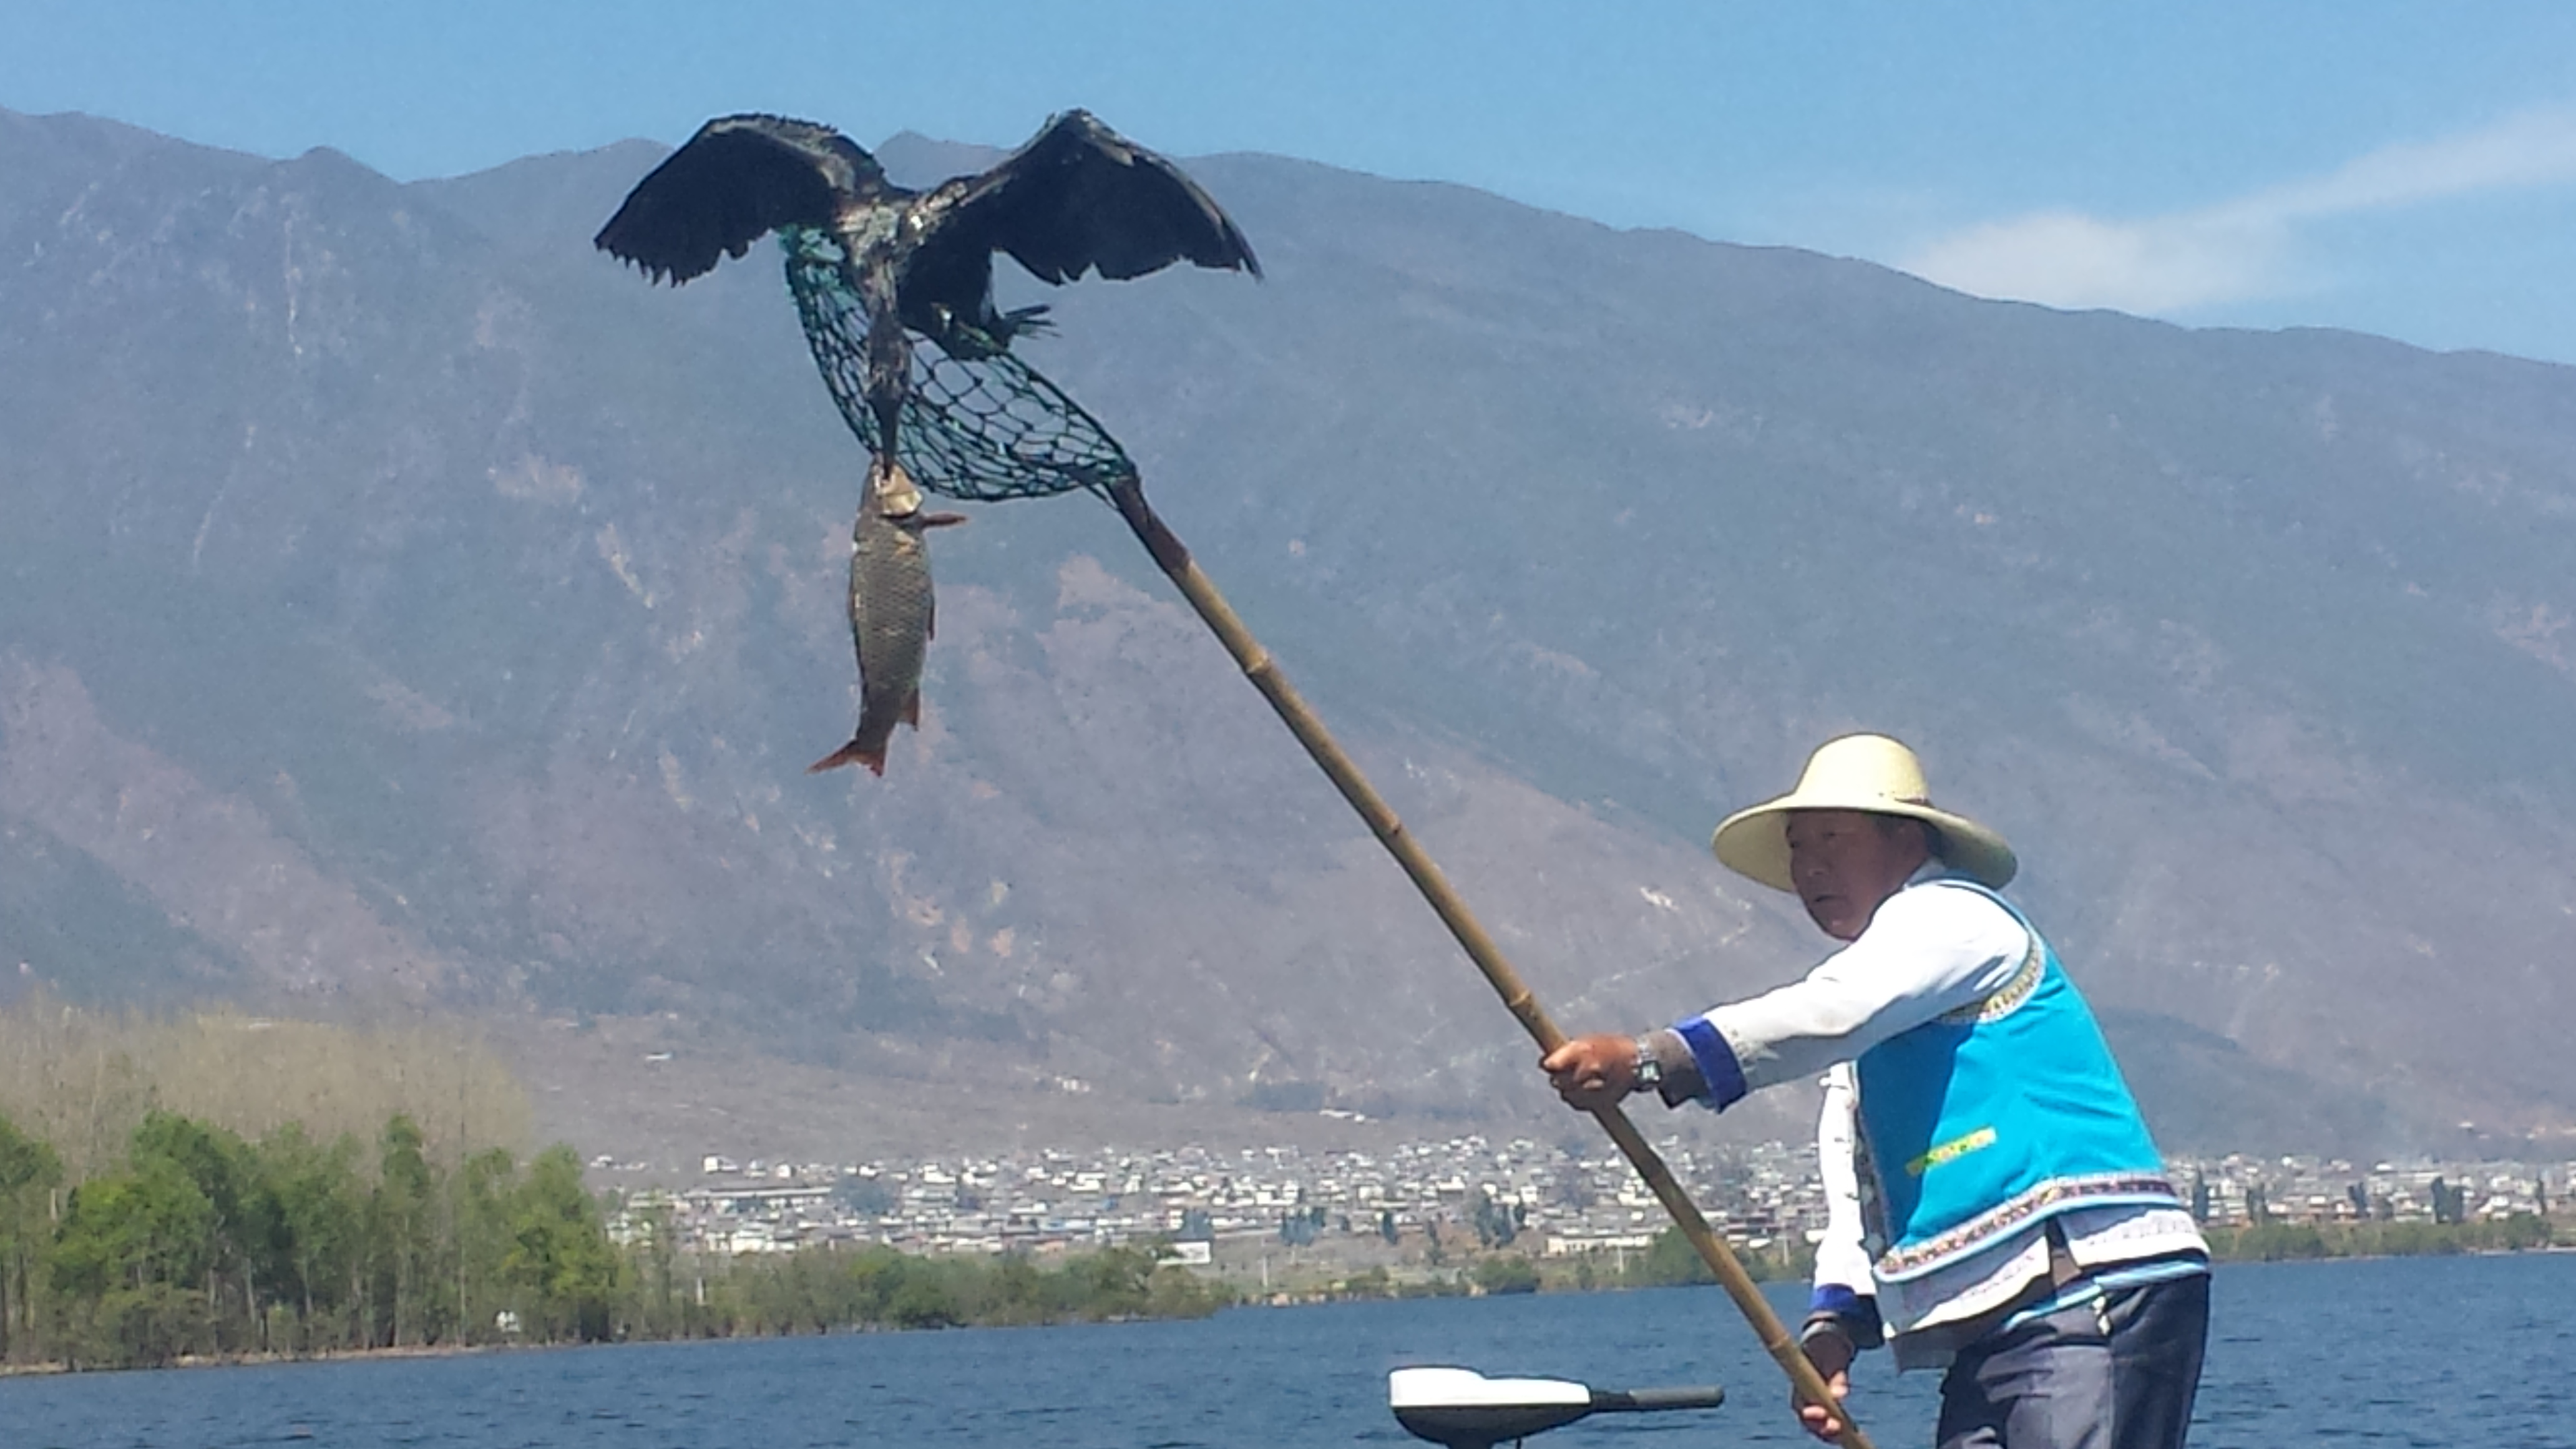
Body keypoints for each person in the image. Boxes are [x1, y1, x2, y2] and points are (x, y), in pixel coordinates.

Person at [1542, 733, 2208, 1448]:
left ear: (1908, 842)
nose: (1811, 866)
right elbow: (1860, 1201)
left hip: (2087, 1290)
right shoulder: (1871, 1034)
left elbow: (1828, 1011)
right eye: (1800, 847)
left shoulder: (1955, 917)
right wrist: (1835, 1328)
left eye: (1835, 839)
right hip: (2000, 1332)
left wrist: (1649, 1060)